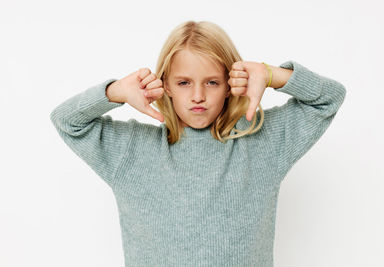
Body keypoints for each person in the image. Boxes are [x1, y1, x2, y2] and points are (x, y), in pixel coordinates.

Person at [50, 20, 346, 267]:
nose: (198, 96)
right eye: (184, 82)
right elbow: (66, 121)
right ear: (165, 84)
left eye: (212, 82)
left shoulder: (262, 141)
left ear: (231, 84)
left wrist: (272, 74)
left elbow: (329, 99)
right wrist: (113, 92)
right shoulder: (131, 150)